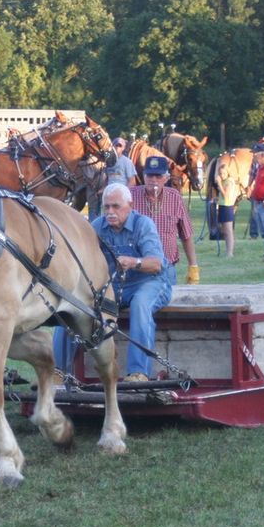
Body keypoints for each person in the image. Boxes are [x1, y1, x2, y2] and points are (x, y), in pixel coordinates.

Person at [92, 183, 172, 381]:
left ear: (130, 205)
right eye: (106, 207)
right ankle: (57, 372)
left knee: (140, 304)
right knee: (73, 305)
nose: (110, 212)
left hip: (150, 282)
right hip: (115, 286)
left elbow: (156, 264)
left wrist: (134, 262)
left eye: (116, 207)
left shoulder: (143, 224)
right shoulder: (96, 227)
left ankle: (139, 372)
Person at [130, 155, 199, 284]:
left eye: (158, 176)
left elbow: (186, 235)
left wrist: (193, 266)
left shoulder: (174, 197)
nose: (153, 180)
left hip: (167, 267)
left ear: (166, 177)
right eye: (150, 176)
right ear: (143, 176)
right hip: (139, 269)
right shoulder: (131, 196)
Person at [215, 152, 242, 257]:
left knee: (228, 231)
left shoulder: (229, 181)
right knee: (224, 231)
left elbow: (226, 195)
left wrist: (219, 184)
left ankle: (230, 252)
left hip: (227, 208)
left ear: (228, 173)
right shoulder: (224, 181)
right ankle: (227, 251)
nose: (222, 176)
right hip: (222, 206)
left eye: (224, 173)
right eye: (220, 174)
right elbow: (222, 196)